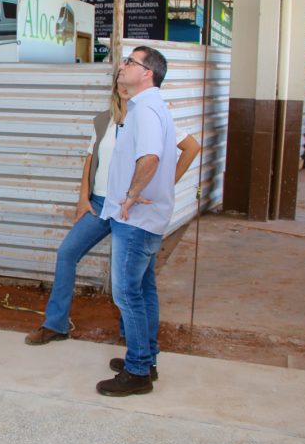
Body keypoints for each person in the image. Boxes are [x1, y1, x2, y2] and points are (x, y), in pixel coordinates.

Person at [25, 74, 201, 347]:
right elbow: (91, 159)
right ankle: (55, 324)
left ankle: (135, 338)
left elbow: (191, 147)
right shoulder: (103, 121)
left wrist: (164, 184)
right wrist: (83, 198)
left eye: (127, 85)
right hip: (99, 204)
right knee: (67, 253)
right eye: (119, 85)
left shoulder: (149, 117)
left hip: (132, 210)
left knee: (140, 281)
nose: (123, 89)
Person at [93, 45, 177, 396]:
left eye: (130, 61)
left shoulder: (146, 110)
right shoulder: (147, 107)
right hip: (142, 219)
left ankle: (138, 369)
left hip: (136, 219)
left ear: (148, 73)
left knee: (127, 294)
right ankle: (147, 356)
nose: (122, 65)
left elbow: (151, 158)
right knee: (143, 291)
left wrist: (130, 194)